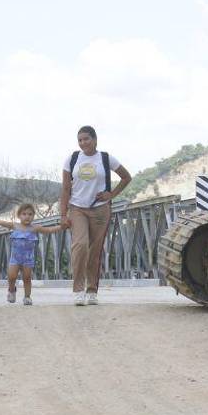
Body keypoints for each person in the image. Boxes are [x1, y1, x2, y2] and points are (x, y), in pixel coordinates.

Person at [59, 125, 131, 306]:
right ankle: (78, 290)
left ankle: (92, 291)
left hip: (100, 209)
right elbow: (66, 188)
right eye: (80, 140)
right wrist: (63, 214)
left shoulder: (105, 158)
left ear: (95, 139)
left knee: (95, 251)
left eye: (86, 139)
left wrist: (111, 194)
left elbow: (126, 177)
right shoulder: (72, 159)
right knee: (80, 246)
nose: (83, 143)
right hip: (77, 208)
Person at [0, 203, 62, 304]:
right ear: (19, 215)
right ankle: (11, 290)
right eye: (24, 214)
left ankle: (27, 296)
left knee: (27, 278)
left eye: (30, 214)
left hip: (28, 258)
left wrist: (62, 227)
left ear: (33, 216)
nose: (27, 216)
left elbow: (48, 230)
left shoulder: (35, 228)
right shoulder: (14, 225)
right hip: (15, 258)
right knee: (11, 276)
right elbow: (1, 222)